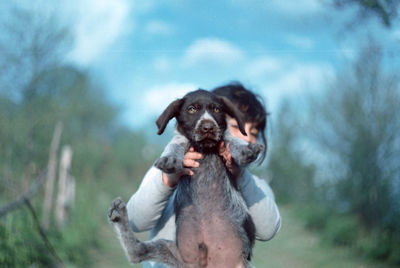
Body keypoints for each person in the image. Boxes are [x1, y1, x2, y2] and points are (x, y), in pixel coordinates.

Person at [126, 82, 281, 267]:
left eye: (253, 132)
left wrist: (241, 176)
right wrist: (168, 180)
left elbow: (267, 230)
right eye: (236, 125)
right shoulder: (167, 167)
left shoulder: (256, 186)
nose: (245, 136)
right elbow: (136, 220)